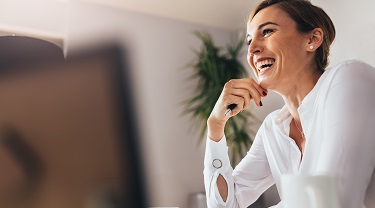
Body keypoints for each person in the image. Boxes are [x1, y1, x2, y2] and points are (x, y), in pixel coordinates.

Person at [203, 0, 375, 207]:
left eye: (266, 32)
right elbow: (224, 205)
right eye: (249, 41)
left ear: (312, 39)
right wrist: (215, 126)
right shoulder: (273, 129)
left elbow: (332, 200)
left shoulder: (350, 78)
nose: (253, 50)